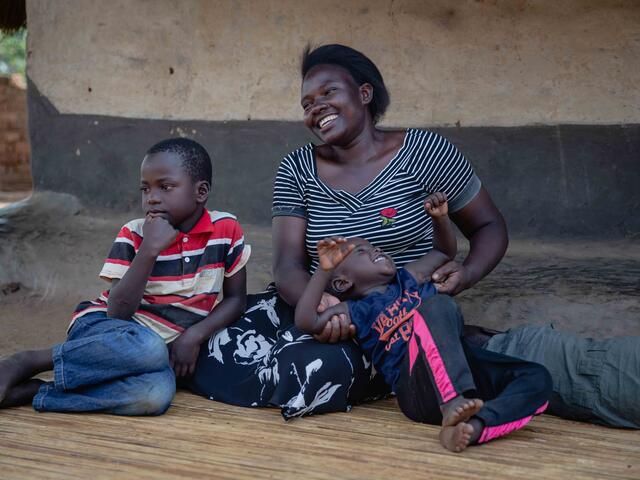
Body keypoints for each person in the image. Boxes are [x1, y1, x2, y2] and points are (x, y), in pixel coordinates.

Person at [191, 43, 639, 429]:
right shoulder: (297, 169)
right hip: (331, 315)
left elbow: (488, 228)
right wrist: (325, 304)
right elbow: (287, 263)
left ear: (365, 94)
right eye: (307, 102)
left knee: (518, 359)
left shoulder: (425, 151)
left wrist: (466, 273)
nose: (316, 108)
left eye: (329, 92)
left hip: (411, 313)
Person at [0, 138, 249, 415]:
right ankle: (29, 361)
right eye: (145, 189)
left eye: (165, 187)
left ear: (200, 191)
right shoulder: (134, 234)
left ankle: (37, 391)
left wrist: (193, 336)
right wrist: (149, 250)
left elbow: (236, 299)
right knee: (150, 348)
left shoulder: (226, 229)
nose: (151, 197)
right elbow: (117, 312)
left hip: (157, 351)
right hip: (105, 329)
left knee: (155, 396)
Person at [295, 193, 550, 452]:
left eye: (373, 246)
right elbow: (308, 321)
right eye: (362, 252)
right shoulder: (356, 311)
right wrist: (323, 270)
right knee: (437, 305)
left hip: (463, 376)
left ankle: (473, 428)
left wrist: (440, 220)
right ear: (343, 283)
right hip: (417, 390)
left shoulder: (408, 278)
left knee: (537, 378)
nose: (376, 249)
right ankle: (451, 402)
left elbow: (442, 251)